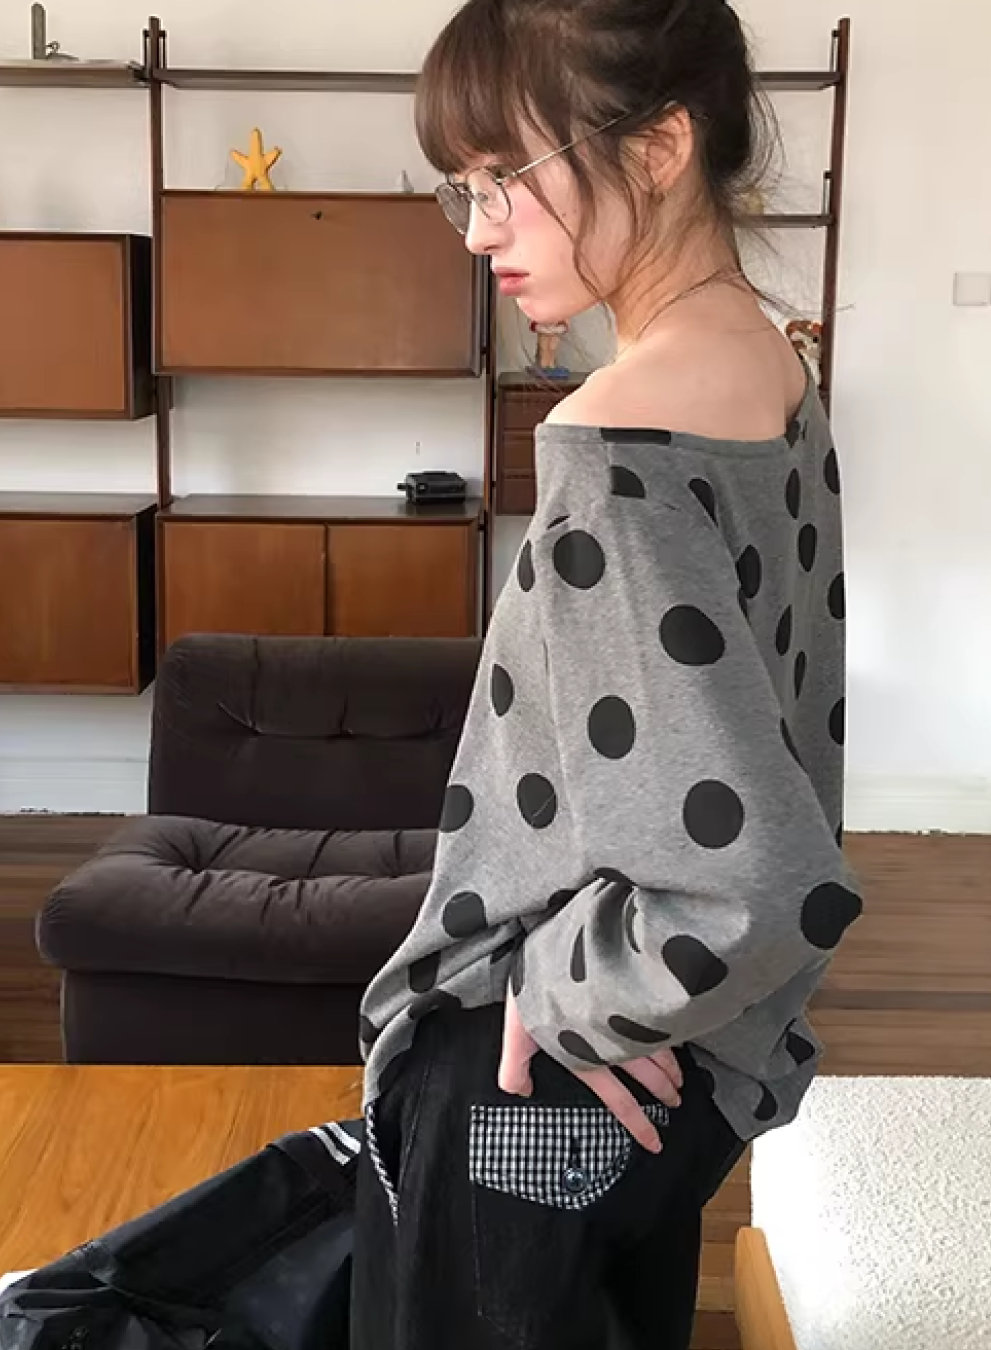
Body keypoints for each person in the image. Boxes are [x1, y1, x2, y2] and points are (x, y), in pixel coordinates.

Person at [352, 1, 864, 1347]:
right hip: (683, 1059)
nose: (477, 231)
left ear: (659, 145)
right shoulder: (772, 366)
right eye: (461, 190)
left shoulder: (613, 442)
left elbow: (762, 877)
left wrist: (560, 992)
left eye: (502, 180)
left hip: (544, 1065)